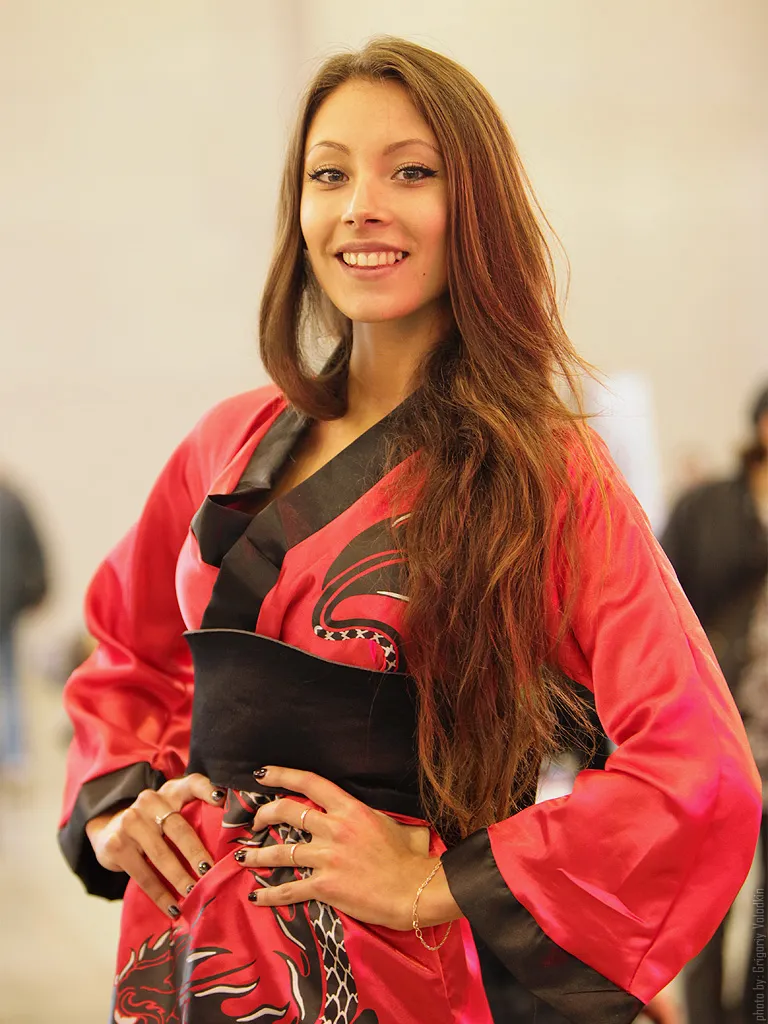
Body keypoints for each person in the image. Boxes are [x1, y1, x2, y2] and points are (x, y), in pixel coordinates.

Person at [58, 38, 760, 1024]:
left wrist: (434, 882)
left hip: (388, 976)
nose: (361, 206)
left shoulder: (545, 472)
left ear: (474, 205)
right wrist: (117, 803)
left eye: (411, 172)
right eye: (329, 174)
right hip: (179, 961)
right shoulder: (229, 439)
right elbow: (128, 655)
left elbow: (698, 768)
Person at [662, 384, 768, 1024]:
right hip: (722, 729)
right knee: (712, 889)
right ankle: (703, 1014)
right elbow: (667, 604)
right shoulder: (708, 506)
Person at [0, 475, 48, 777]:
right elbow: (35, 550)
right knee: (9, 681)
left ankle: (14, 755)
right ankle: (14, 756)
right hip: (7, 604)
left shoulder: (12, 501)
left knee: (9, 680)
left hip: (6, 604)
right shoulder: (13, 499)